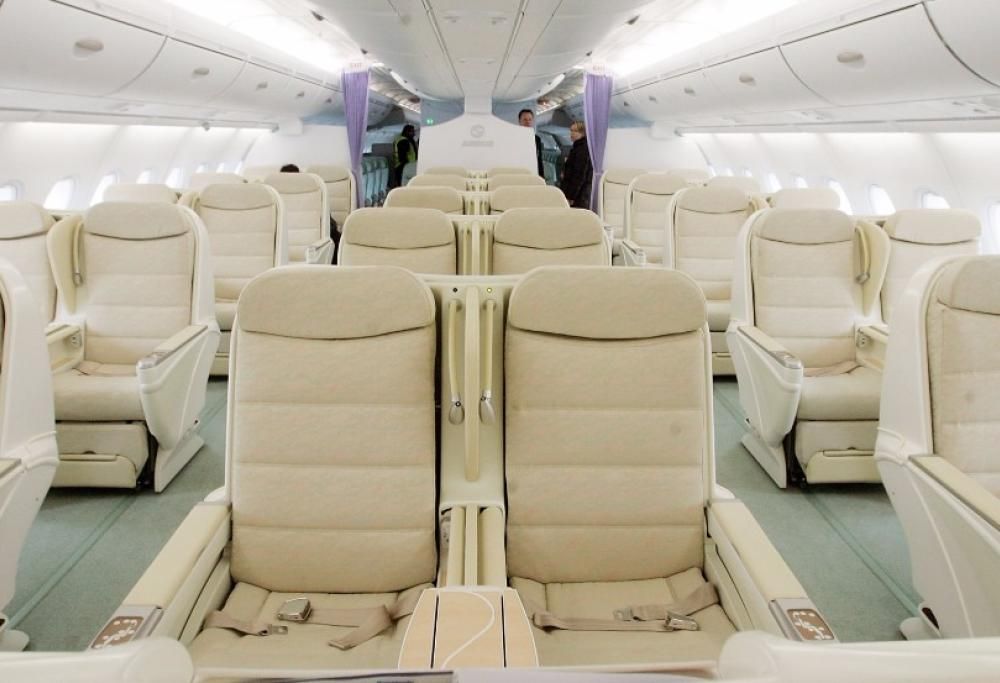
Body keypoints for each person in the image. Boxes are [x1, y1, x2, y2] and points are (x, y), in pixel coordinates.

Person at [560, 120, 593, 209]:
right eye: (571, 130)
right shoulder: (578, 147)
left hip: (578, 196)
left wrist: (571, 196)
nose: (572, 133)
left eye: (575, 131)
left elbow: (579, 175)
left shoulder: (582, 150)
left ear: (583, 133)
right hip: (578, 194)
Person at [518, 108, 544, 177]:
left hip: (533, 174)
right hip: (519, 174)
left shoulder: (537, 139)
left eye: (530, 119)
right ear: (519, 121)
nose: (528, 122)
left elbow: (539, 160)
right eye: (525, 120)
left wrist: (542, 177)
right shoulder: (515, 138)